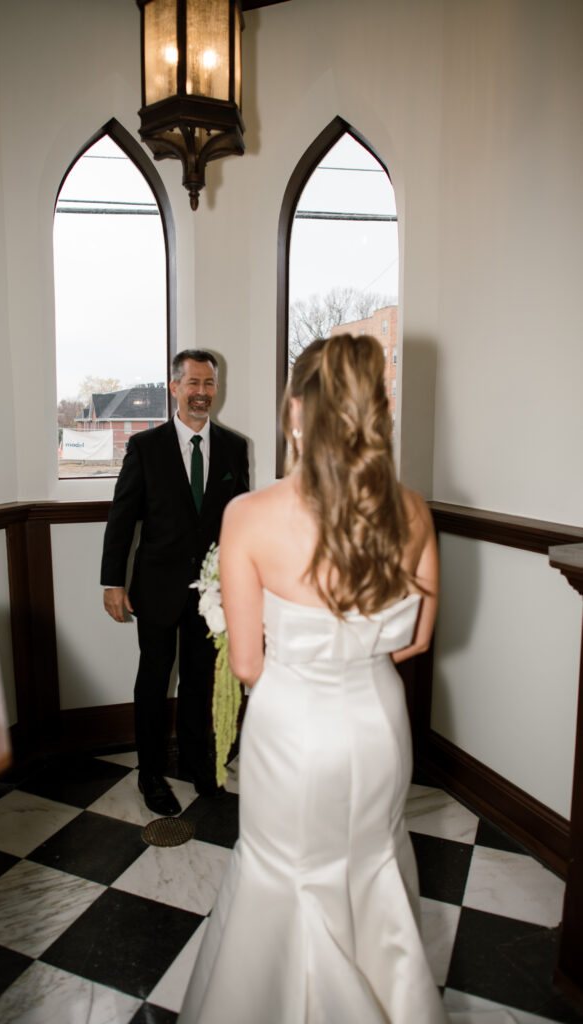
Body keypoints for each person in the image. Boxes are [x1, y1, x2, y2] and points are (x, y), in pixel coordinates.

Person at [180, 334, 514, 1024]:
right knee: (372, 864)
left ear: (294, 411)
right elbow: (416, 639)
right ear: (374, 415)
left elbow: (245, 664)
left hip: (291, 727)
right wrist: (352, 662)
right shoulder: (413, 512)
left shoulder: (248, 516)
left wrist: (307, 667)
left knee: (284, 873)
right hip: (378, 720)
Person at [101, 350, 249, 817]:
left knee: (200, 683)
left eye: (209, 384)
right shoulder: (145, 448)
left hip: (211, 594)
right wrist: (112, 582)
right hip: (157, 589)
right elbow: (122, 519)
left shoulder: (233, 448)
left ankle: (197, 765)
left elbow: (239, 522)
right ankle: (150, 775)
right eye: (193, 383)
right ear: (174, 387)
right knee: (153, 682)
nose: (202, 392)